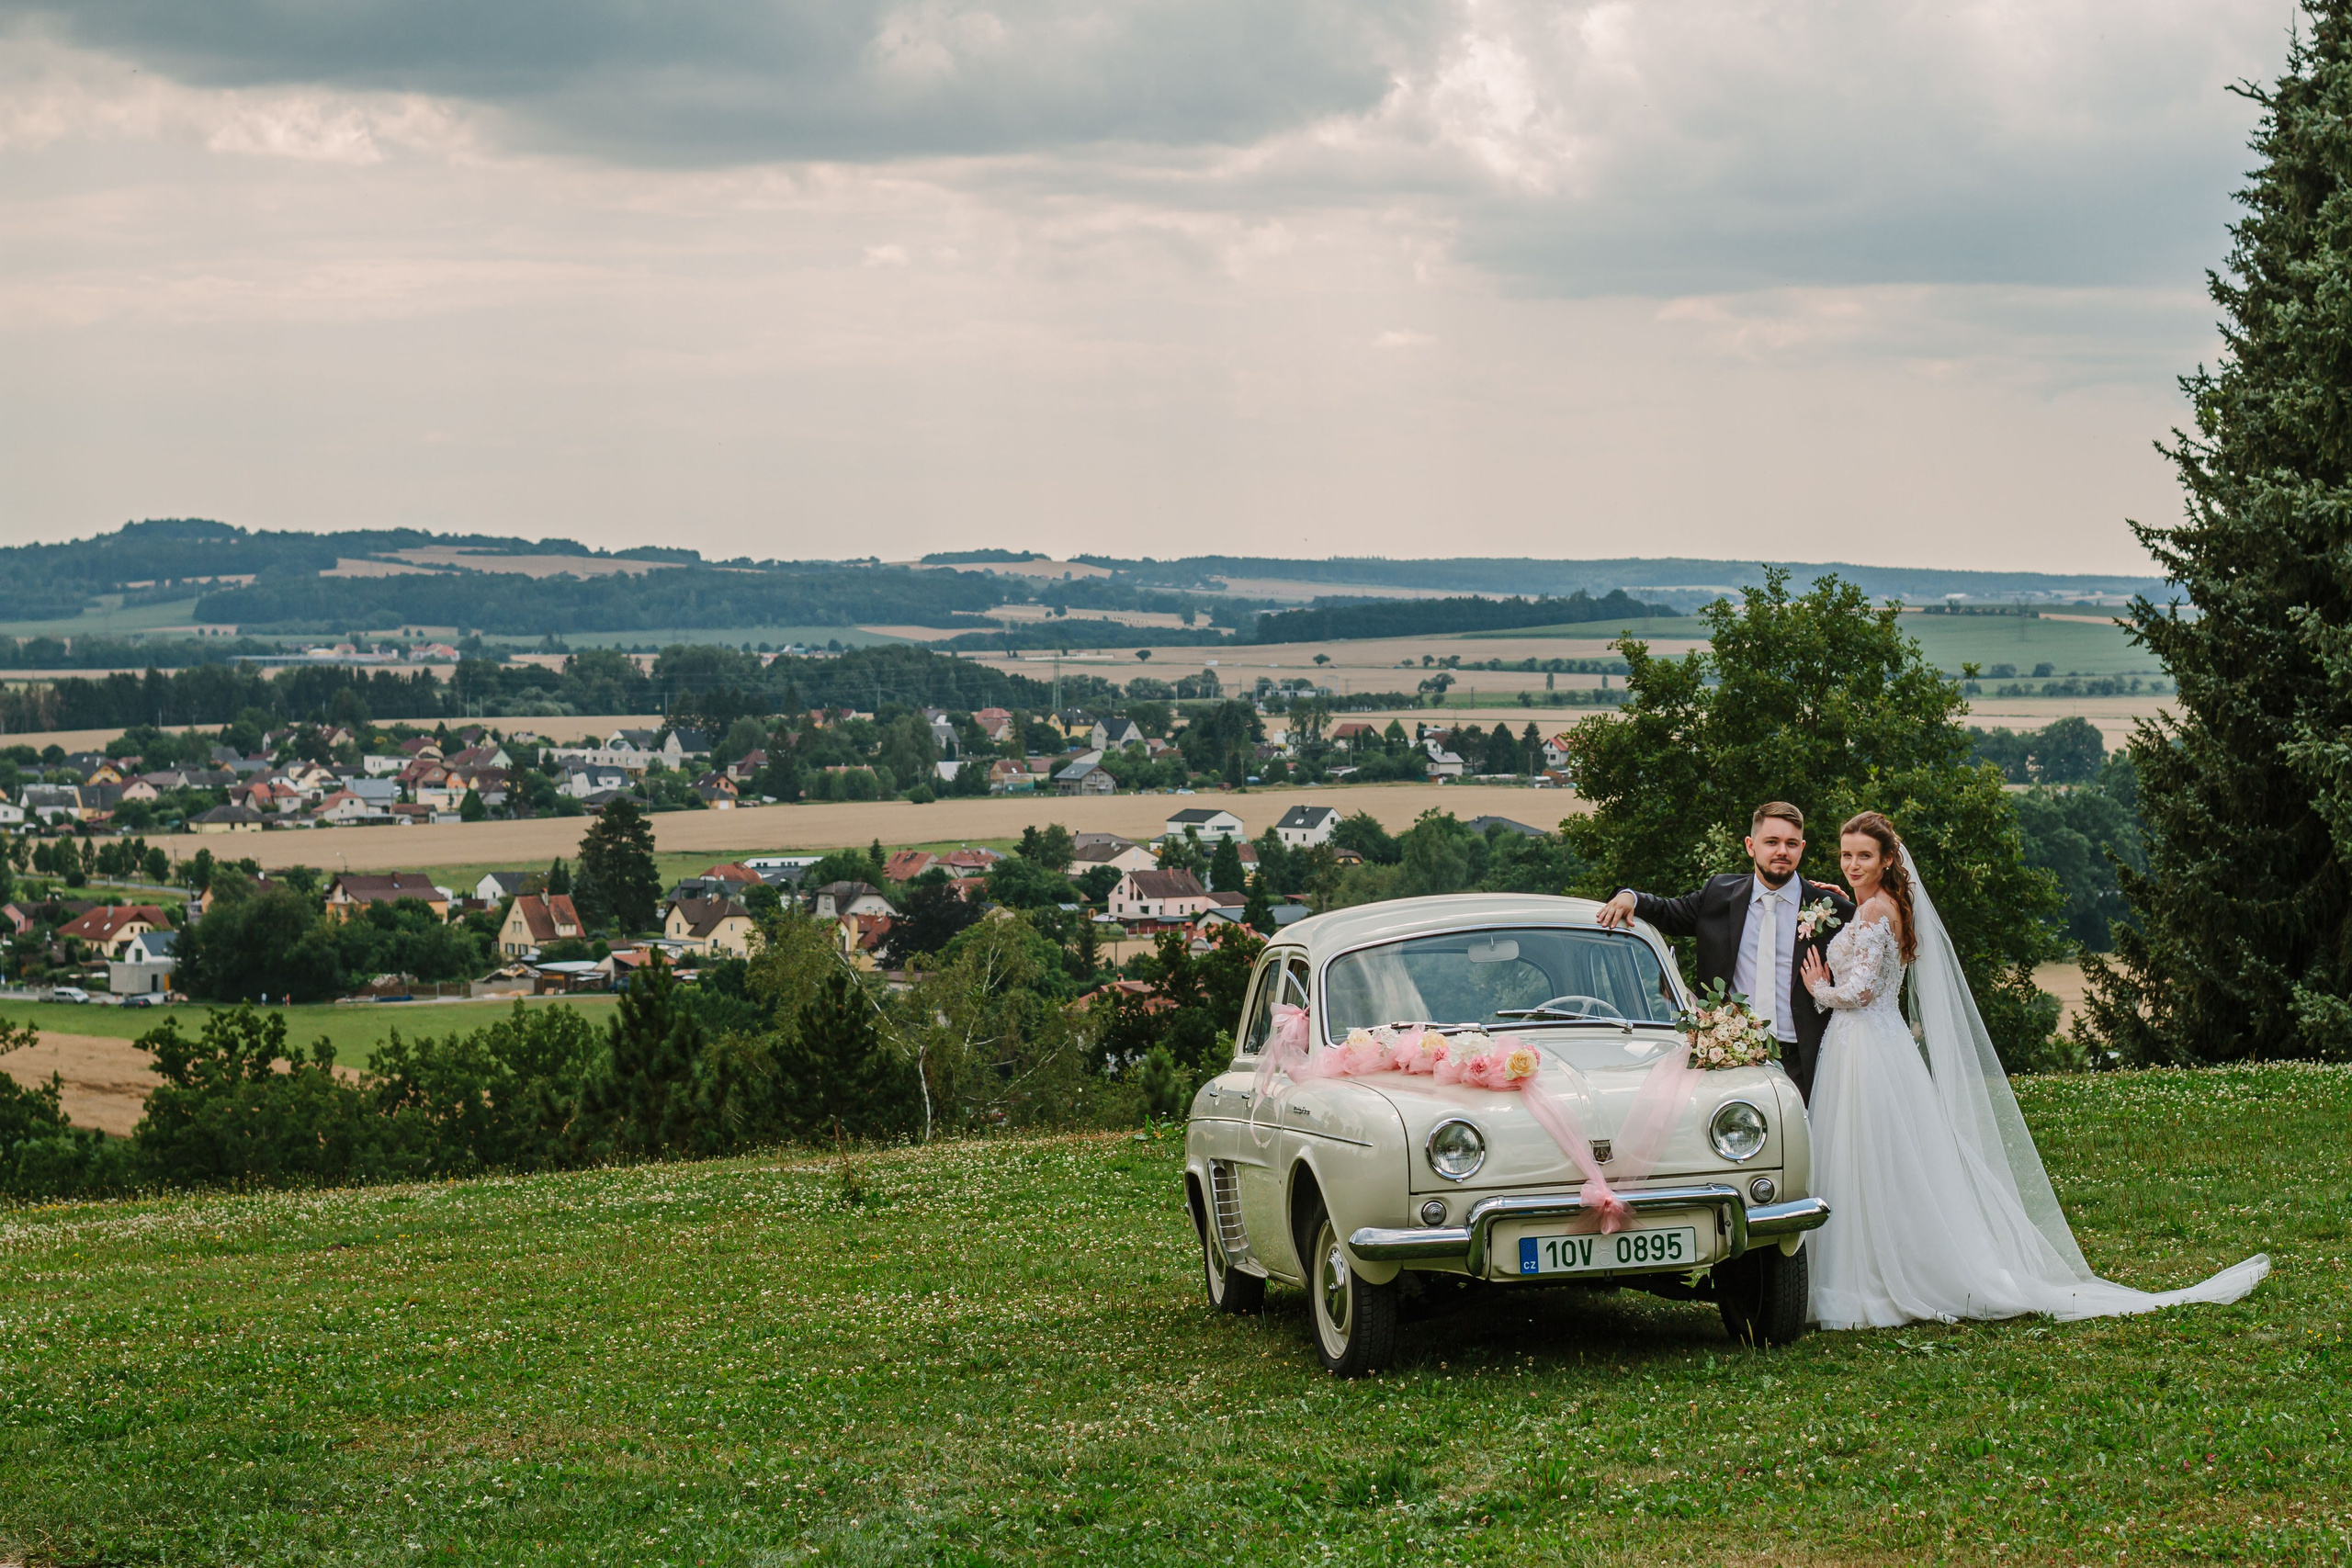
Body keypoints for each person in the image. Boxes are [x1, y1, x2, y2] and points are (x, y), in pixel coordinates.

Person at [1798, 810, 2269, 1328]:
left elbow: (1862, 992)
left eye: (1864, 855)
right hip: (1880, 1047)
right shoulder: (1886, 907)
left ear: (1888, 859)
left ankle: (1867, 1277)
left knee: (1866, 1152)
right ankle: (1885, 1264)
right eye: (1846, 855)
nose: (1852, 864)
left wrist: (1819, 987)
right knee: (1887, 1156)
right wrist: (1843, 899)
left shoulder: (1873, 914)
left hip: (1864, 1044)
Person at [1596, 801, 1853, 1101]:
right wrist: (1630, 897)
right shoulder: (1718, 894)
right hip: (1730, 1055)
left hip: (1804, 1060)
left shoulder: (1832, 908)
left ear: (1802, 848)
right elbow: (1667, 912)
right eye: (1772, 842)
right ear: (1750, 845)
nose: (1782, 851)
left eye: (1791, 843)